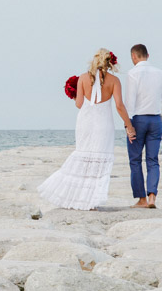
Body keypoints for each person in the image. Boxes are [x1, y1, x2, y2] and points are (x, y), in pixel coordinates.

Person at [39, 49, 136, 210]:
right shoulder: (114, 81)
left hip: (85, 122)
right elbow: (119, 106)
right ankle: (91, 202)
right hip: (103, 123)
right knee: (98, 160)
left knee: (83, 156)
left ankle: (76, 199)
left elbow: (79, 104)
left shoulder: (83, 78)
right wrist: (129, 125)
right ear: (110, 63)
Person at [124, 44, 162, 209]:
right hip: (156, 120)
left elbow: (129, 103)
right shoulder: (161, 74)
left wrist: (128, 126)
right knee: (153, 160)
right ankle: (152, 197)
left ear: (134, 57)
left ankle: (142, 199)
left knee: (135, 160)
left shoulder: (133, 73)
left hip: (138, 119)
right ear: (148, 55)